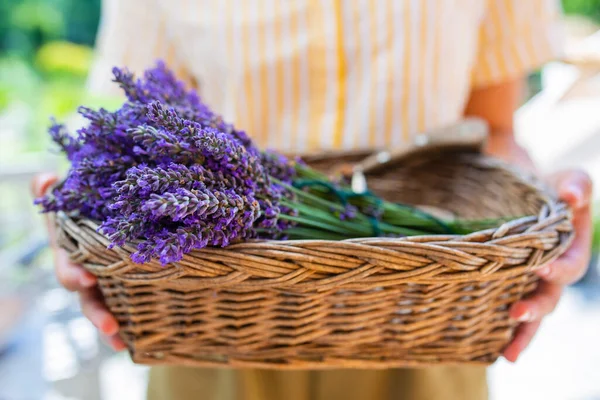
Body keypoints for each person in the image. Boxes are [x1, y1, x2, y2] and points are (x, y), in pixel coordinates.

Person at [32, 0, 593, 399]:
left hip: (424, 316)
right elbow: (123, 136)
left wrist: (542, 213)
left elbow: (491, 130)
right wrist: (86, 240)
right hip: (217, 318)